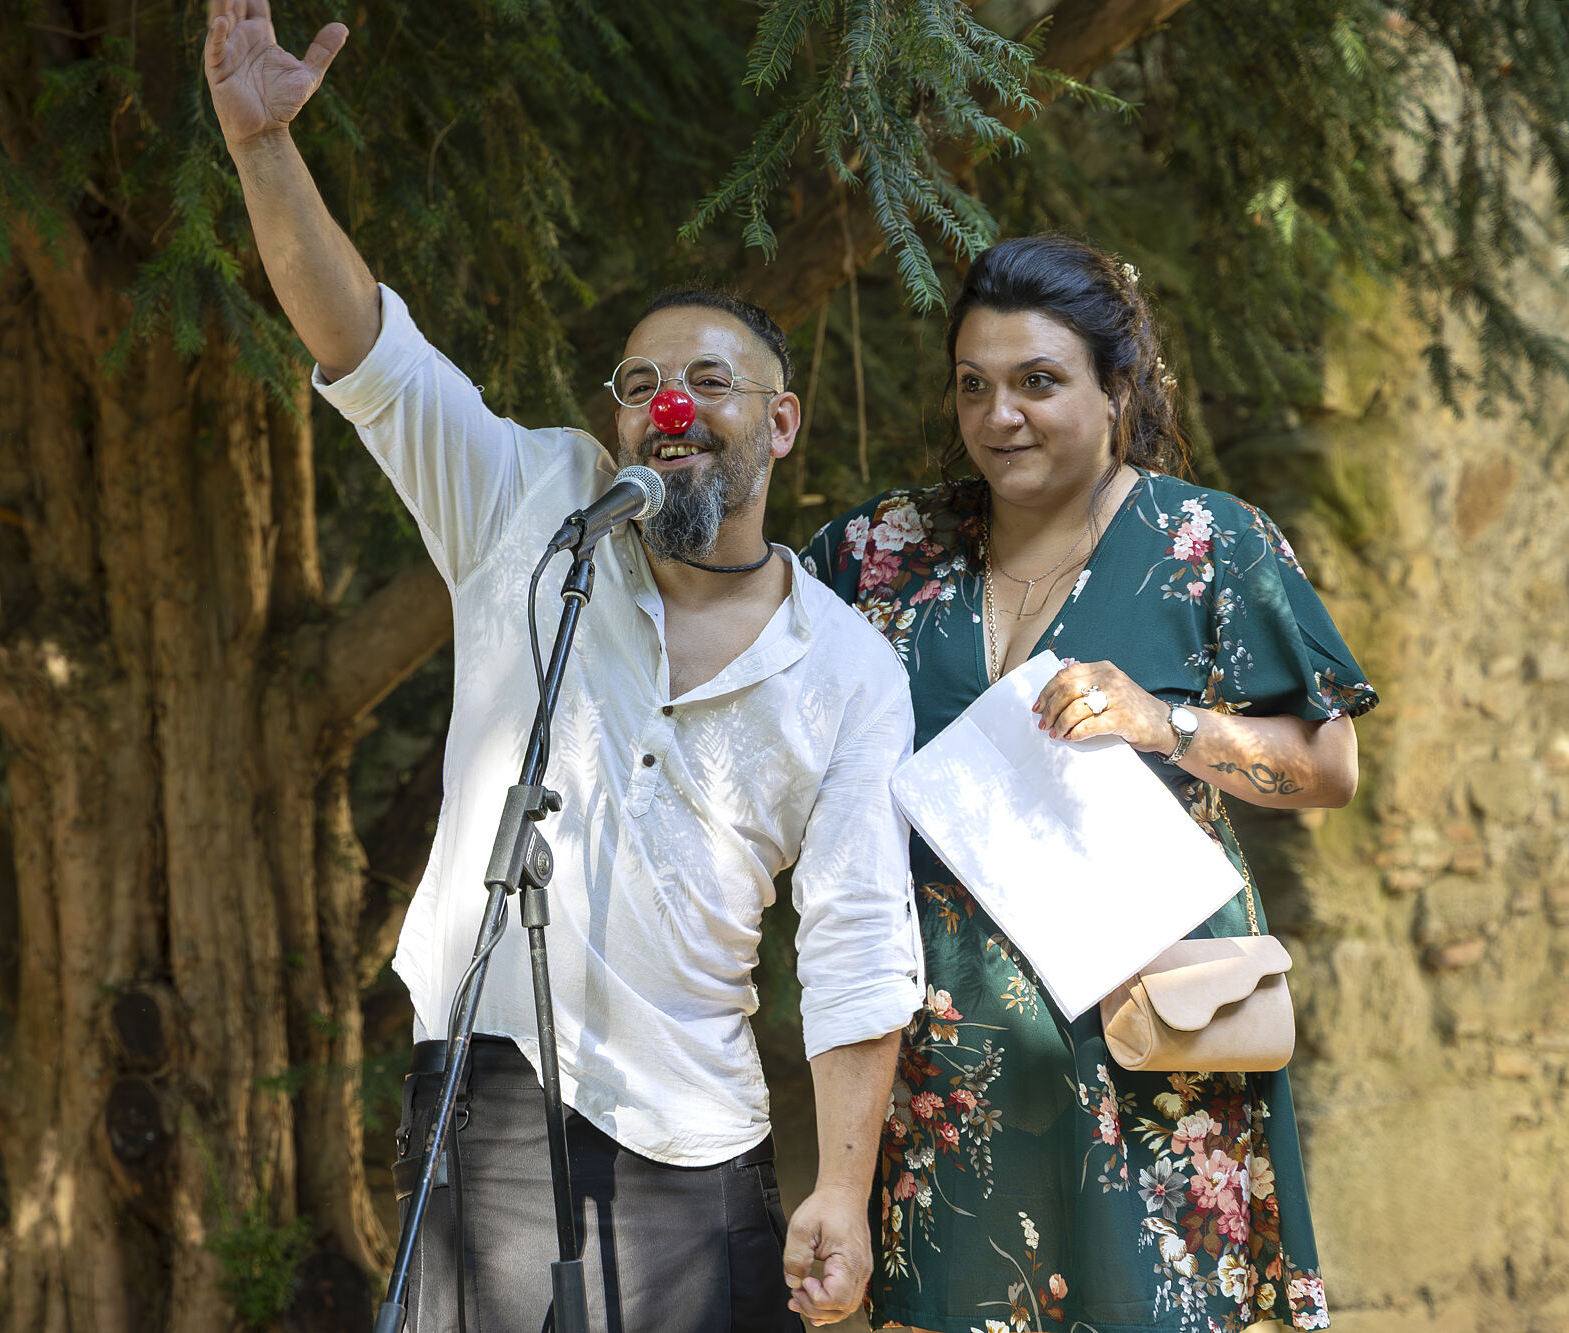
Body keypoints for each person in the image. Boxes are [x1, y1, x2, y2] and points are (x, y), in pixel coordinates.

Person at [205, 4, 926, 1328]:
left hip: (695, 1139)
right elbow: (367, 351)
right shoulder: (530, 507)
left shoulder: (848, 671)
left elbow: (858, 947)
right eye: (639, 382)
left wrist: (839, 1186)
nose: (667, 403)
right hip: (483, 1102)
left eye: (707, 380)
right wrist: (263, 152)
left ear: (780, 421)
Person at [800, 234, 1376, 1333]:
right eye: (973, 385)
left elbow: (1327, 766)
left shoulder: (1206, 542)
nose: (999, 415)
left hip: (1155, 1047)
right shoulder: (877, 553)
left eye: (1036, 381)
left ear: (1117, 389)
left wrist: (1168, 723)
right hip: (947, 1071)